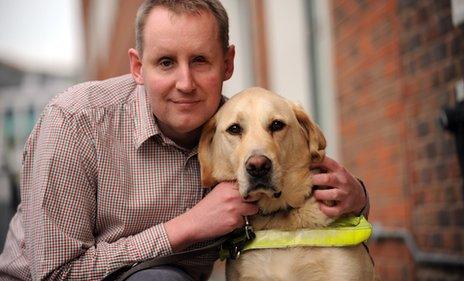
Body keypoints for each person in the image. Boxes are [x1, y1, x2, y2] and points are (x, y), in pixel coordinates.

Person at [0, 0, 369, 280]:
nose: (185, 83)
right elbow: (53, 273)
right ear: (137, 66)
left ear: (227, 64)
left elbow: (299, 188)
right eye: (165, 63)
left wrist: (358, 196)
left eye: (200, 61)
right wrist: (188, 227)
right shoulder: (76, 122)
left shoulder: (239, 130)